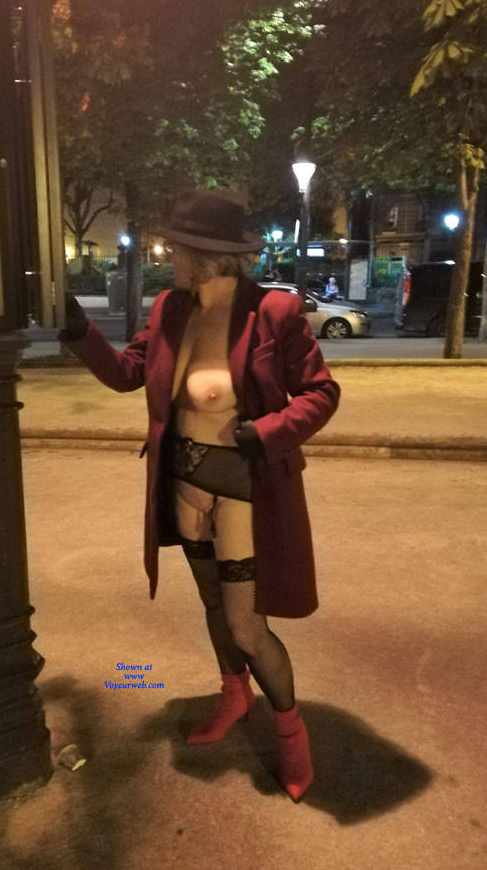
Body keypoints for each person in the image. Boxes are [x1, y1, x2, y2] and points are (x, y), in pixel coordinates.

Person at [58, 190, 340, 802]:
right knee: (214, 603)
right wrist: (77, 327)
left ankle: (291, 733)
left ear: (208, 255)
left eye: (177, 248)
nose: (170, 257)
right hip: (184, 484)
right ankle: (234, 696)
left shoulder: (273, 312)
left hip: (243, 485)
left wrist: (267, 431)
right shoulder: (171, 308)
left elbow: (321, 394)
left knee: (246, 624)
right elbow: (126, 373)